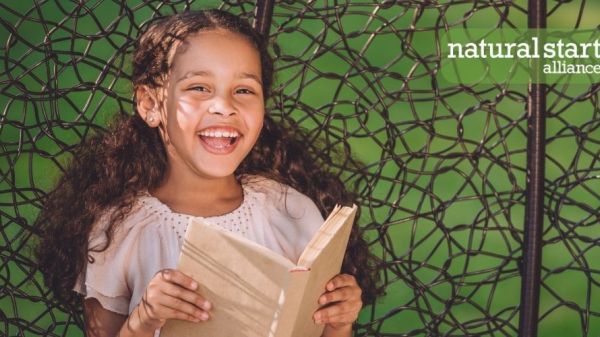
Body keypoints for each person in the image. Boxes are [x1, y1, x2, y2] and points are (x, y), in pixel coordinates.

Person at [35, 9, 381, 337]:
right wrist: (143, 319)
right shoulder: (121, 230)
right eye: (199, 88)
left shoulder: (291, 211)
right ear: (150, 104)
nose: (224, 106)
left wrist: (338, 321)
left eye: (244, 90)